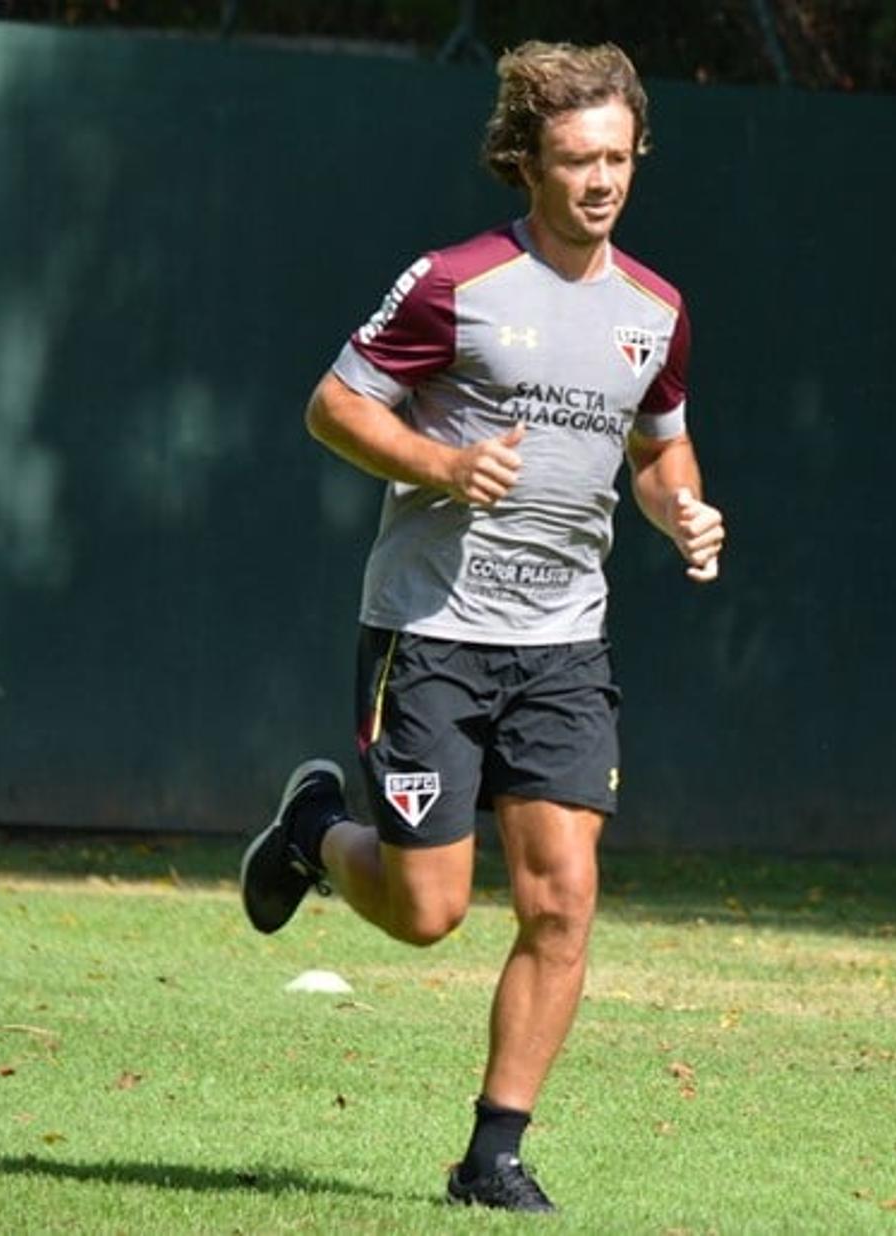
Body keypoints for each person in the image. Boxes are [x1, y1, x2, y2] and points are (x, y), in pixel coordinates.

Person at [238, 40, 723, 1213]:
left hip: (564, 642)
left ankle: (493, 1155)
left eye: (617, 157)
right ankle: (314, 828)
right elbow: (333, 407)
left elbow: (658, 449)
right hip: (434, 631)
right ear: (526, 161)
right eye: (575, 160)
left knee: (563, 897)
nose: (601, 181)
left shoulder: (654, 311)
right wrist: (445, 464)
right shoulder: (456, 284)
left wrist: (681, 514)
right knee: (430, 912)